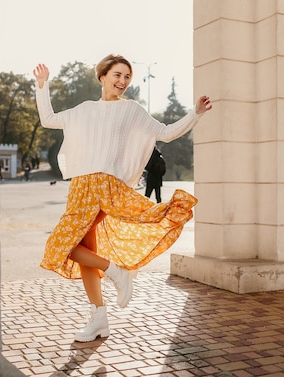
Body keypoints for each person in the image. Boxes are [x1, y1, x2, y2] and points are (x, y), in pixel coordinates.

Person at [32, 54, 212, 342]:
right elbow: (49, 119)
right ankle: (99, 319)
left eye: (127, 77)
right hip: (81, 186)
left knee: (59, 244)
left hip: (104, 185)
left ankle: (116, 272)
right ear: (102, 76)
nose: (123, 81)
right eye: (117, 75)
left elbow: (165, 133)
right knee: (82, 252)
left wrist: (196, 113)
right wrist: (43, 85)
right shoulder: (84, 110)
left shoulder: (131, 111)